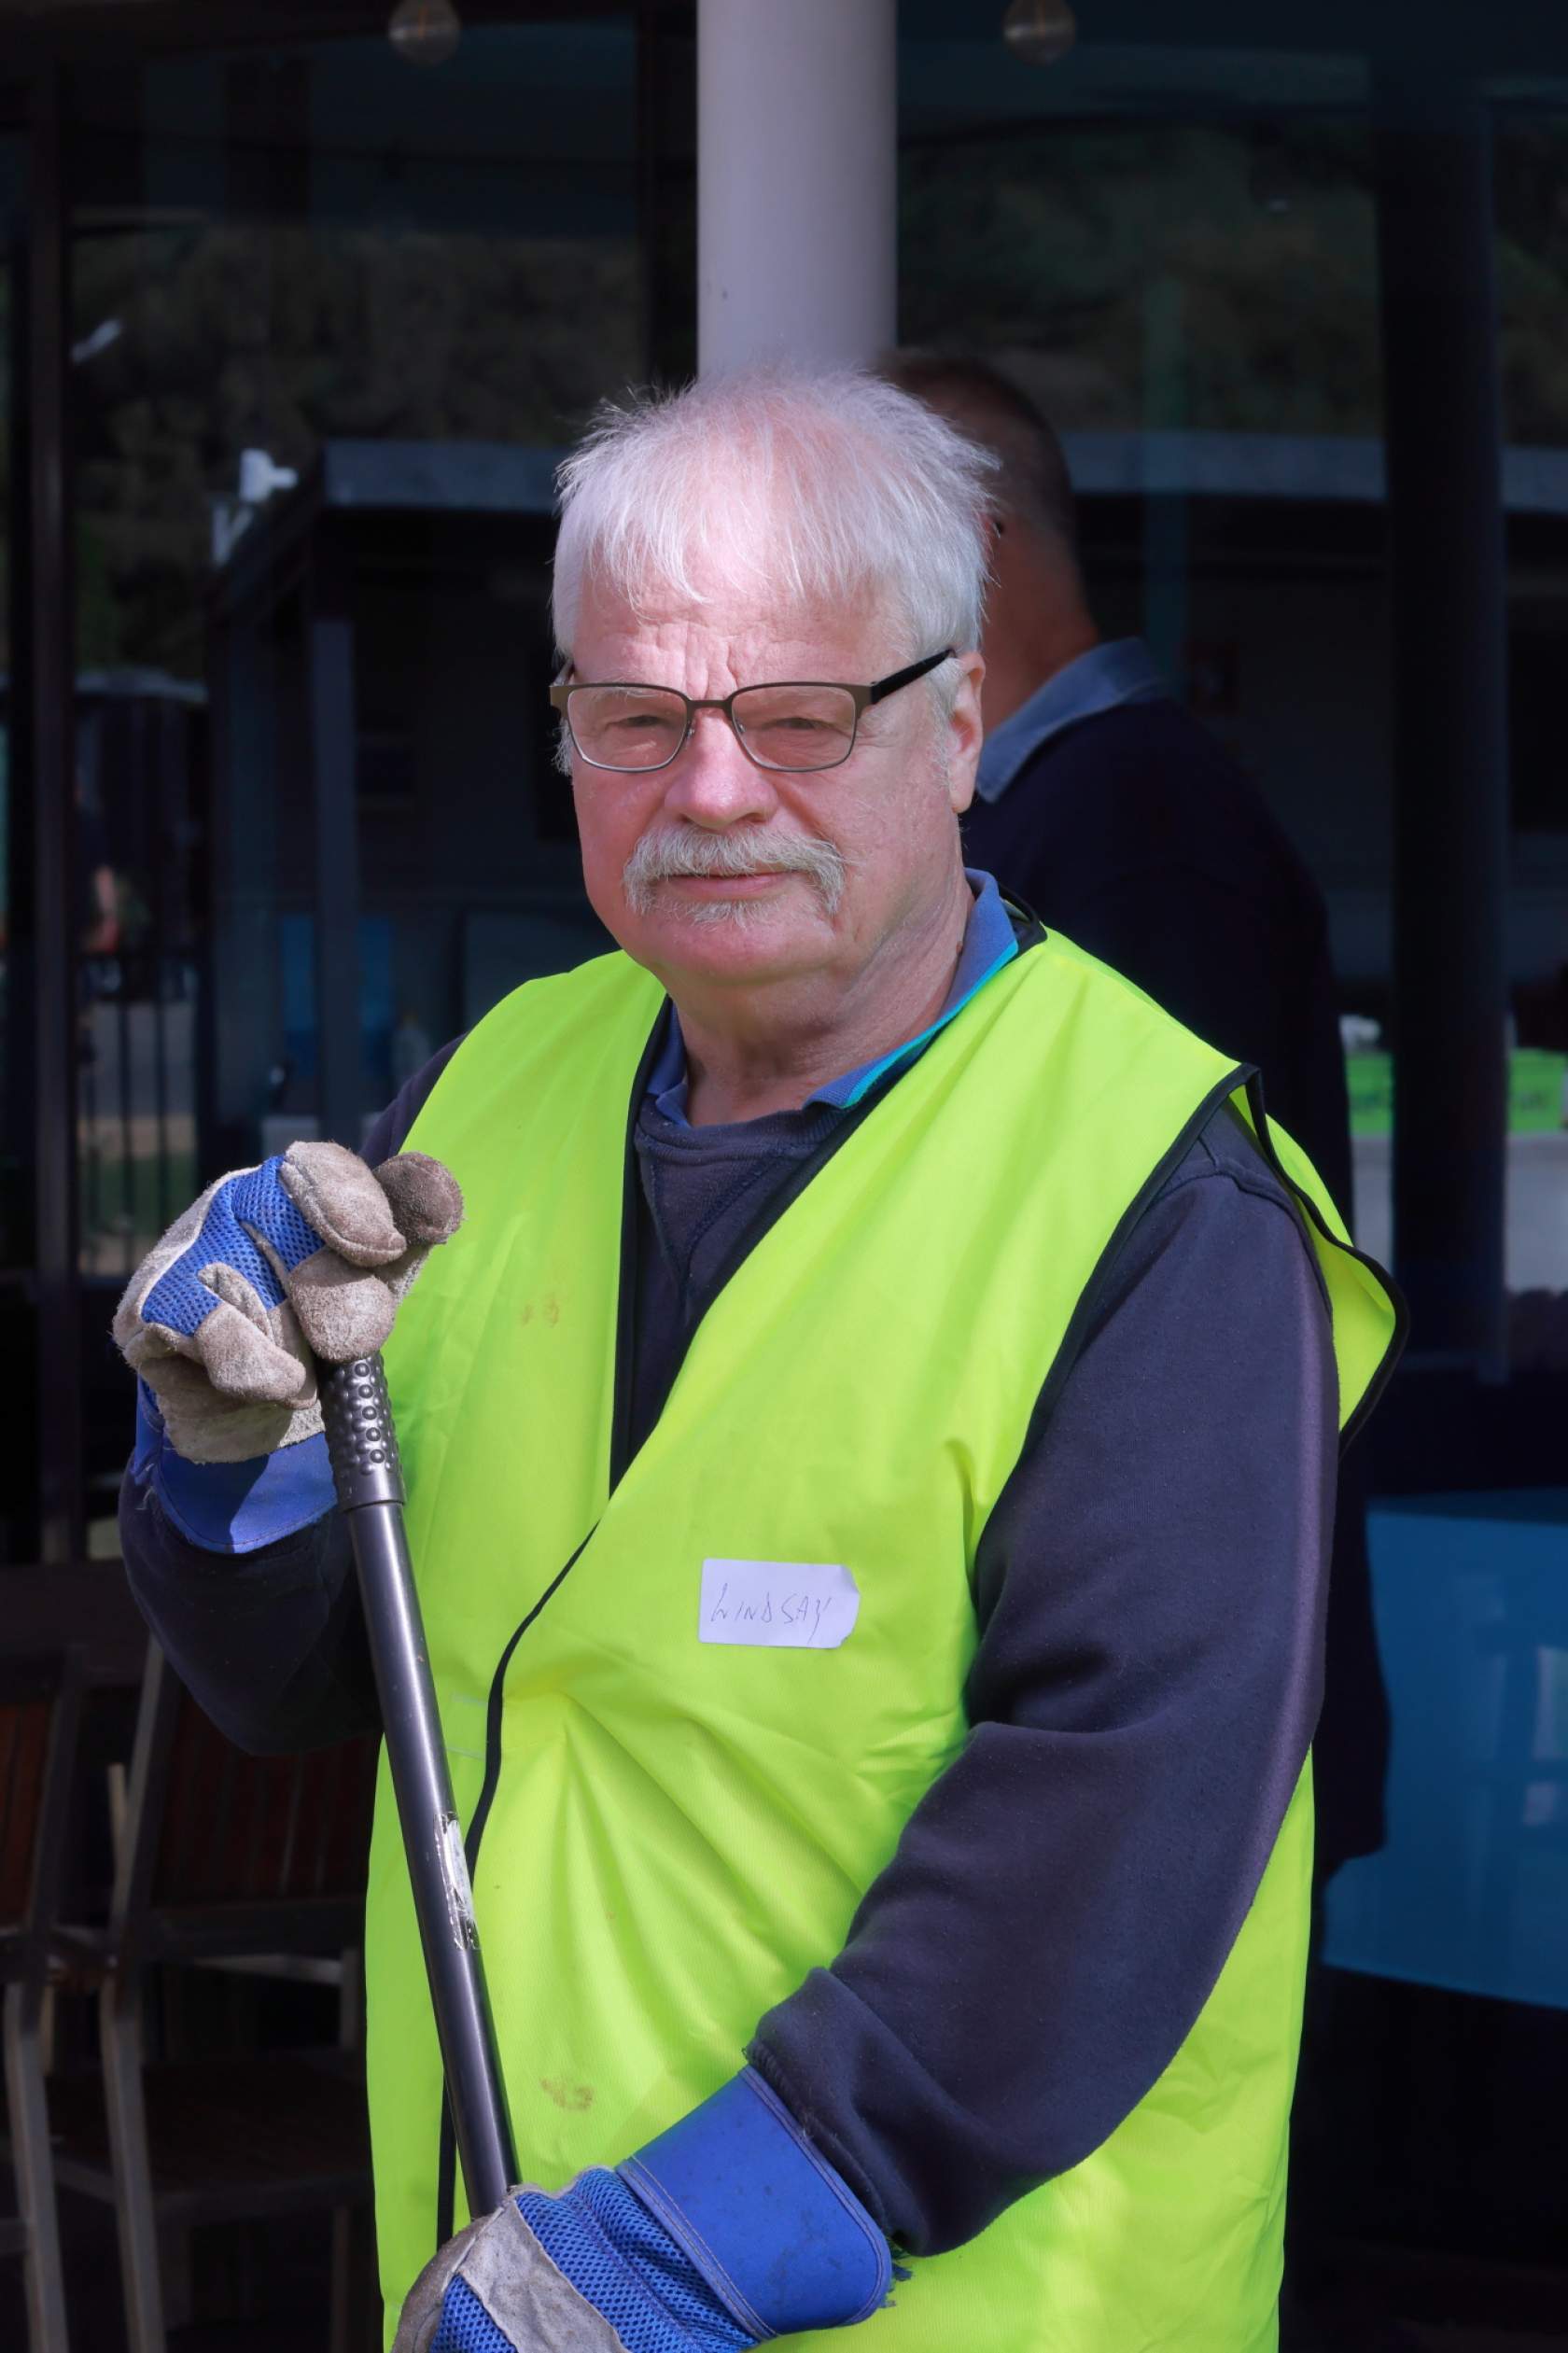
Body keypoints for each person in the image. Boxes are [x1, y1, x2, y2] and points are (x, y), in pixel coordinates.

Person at [115, 368, 1399, 2353]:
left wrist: (681, 2253)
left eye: (800, 716)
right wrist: (226, 1467)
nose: (710, 790)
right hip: (501, 2282)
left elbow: (1111, 1833)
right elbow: (307, 1685)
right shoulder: (492, 1091)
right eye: (635, 718)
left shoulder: (1158, 1198)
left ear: (957, 727)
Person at [884, 350, 1386, 1885]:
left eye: (854, 549)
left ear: (970, 551)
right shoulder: (1070, 817)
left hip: (1160, 1721)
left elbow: (1167, 1304)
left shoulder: (1137, 837)